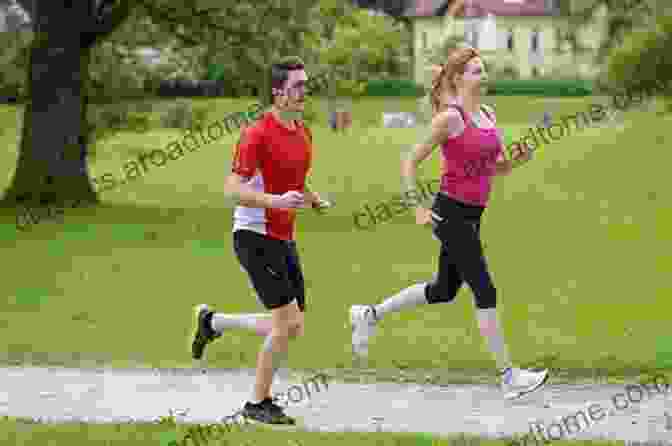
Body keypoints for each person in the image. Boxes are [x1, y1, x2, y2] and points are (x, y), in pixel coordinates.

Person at [349, 46, 548, 400]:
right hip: (450, 213)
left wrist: (517, 160)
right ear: (457, 78)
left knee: (444, 289)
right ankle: (508, 376)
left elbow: (495, 167)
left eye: (482, 69)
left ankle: (369, 314)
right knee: (485, 289)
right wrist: (416, 208)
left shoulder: (488, 114)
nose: (482, 75)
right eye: (474, 70)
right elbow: (409, 161)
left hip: (474, 214)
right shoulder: (450, 118)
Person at [191, 56, 328, 425]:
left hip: (284, 237)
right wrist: (275, 202)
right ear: (277, 92)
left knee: (293, 324)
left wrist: (312, 199)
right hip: (253, 236)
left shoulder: (303, 132)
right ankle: (257, 402)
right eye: (296, 85)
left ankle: (212, 323)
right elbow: (231, 188)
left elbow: (293, 180)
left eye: (305, 84)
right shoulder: (256, 133)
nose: (303, 91)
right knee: (285, 322)